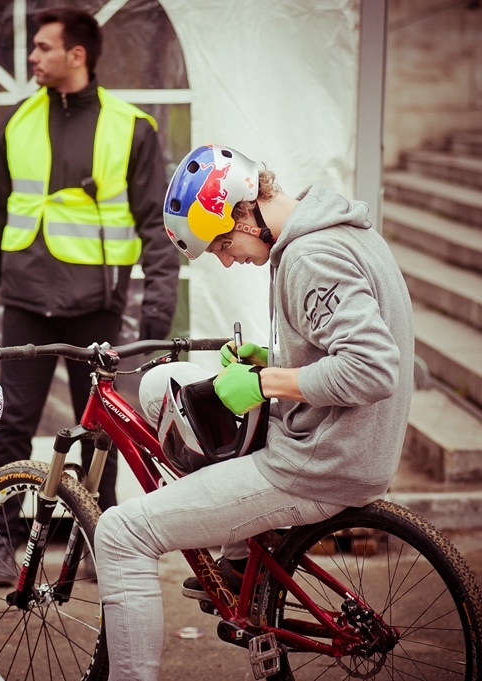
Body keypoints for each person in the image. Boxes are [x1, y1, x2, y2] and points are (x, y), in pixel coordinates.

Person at [93, 144, 415, 681]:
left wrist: (265, 383)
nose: (224, 260)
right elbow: (338, 347)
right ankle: (242, 555)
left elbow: (373, 369)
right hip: (332, 438)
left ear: (244, 211)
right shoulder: (331, 229)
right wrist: (272, 359)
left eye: (222, 243)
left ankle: (235, 550)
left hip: (320, 462)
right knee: (158, 388)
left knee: (119, 534)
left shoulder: (311, 257)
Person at [0, 6, 180, 586]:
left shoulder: (131, 127)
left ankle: (100, 545)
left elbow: (155, 225)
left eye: (43, 47)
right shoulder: (17, 123)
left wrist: (158, 308)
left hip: (97, 306)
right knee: (11, 426)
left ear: (76, 54)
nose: (32, 57)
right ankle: (1, 543)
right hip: (26, 301)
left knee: (101, 434)